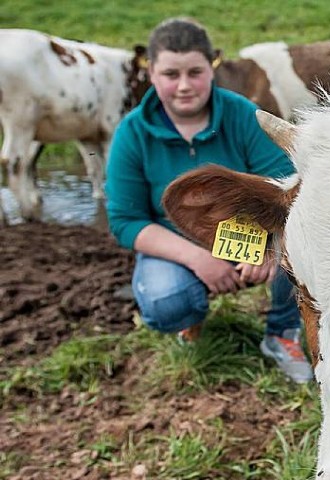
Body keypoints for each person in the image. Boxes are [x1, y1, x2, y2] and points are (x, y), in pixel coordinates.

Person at [105, 18, 313, 383]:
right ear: (151, 72)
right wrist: (199, 259)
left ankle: (282, 333)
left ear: (213, 66)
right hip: (177, 241)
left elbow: (287, 187)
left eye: (195, 72)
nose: (184, 86)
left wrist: (265, 244)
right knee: (166, 303)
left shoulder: (244, 114)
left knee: (303, 245)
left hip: (251, 232)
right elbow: (125, 219)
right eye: (171, 74)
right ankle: (189, 317)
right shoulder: (132, 132)